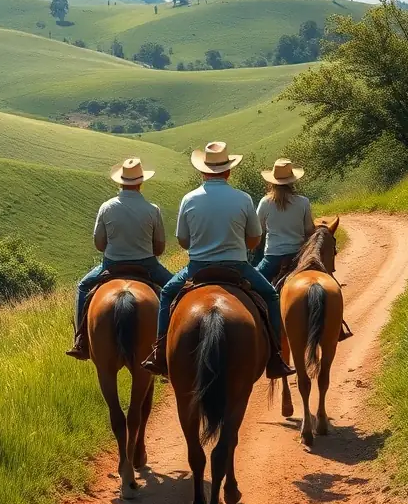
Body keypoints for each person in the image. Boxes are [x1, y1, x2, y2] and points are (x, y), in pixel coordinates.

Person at [141, 142, 295, 379]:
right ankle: (275, 357)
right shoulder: (243, 198)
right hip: (237, 267)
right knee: (271, 296)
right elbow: (254, 239)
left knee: (167, 294)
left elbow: (183, 241)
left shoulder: (189, 199)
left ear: (203, 171)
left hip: (197, 267)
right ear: (228, 171)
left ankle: (160, 352)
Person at [66, 157, 172, 360]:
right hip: (148, 266)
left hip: (112, 265)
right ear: (141, 182)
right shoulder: (152, 209)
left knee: (82, 286)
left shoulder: (106, 207)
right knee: (175, 291)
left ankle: (80, 341)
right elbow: (159, 248)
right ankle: (168, 345)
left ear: (120, 182)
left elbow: (99, 244)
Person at [255, 159, 315, 283]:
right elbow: (309, 230)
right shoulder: (303, 202)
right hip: (298, 255)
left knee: (252, 283)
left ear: (272, 182)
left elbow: (257, 231)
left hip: (273, 256)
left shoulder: (265, 202)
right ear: (292, 181)